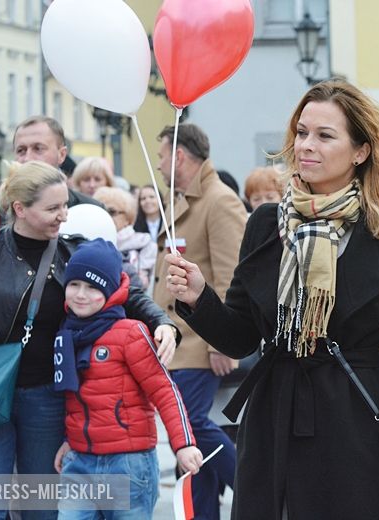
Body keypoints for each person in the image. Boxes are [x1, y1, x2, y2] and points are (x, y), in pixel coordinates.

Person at [163, 79, 379, 519]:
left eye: (324, 135)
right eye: (301, 132)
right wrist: (199, 297)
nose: (306, 145)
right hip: (273, 419)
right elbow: (241, 338)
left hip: (357, 420)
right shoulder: (265, 224)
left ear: (360, 151)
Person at [0, 161, 178, 520]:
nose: (64, 216)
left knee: (43, 510)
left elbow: (125, 286)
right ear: (20, 209)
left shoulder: (73, 249)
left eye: (65, 205)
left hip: (47, 398)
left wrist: (161, 321)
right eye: (53, 208)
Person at [52, 239, 202, 519]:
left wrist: (184, 444)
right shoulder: (66, 333)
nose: (81, 295)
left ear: (109, 292)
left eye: (93, 287)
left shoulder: (131, 333)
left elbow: (165, 391)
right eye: (74, 285)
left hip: (127, 464)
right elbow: (74, 398)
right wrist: (69, 439)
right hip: (80, 463)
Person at [152, 123, 245, 520]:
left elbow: (231, 276)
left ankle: (260, 491)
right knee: (190, 445)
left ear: (179, 157)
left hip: (197, 343)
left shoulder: (218, 201)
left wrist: (220, 341)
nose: (157, 164)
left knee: (187, 431)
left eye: (161, 156)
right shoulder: (182, 200)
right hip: (177, 342)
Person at [12, 116, 103, 209]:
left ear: (61, 155)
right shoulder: (1, 209)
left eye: (38, 148)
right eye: (21, 150)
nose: (28, 158)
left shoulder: (89, 209)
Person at [93, 187, 157, 291]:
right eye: (102, 211)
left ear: (128, 217)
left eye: (112, 212)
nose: (106, 217)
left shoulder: (146, 244)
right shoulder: (90, 244)